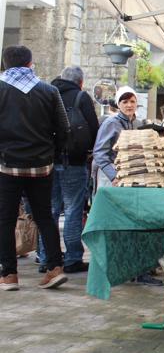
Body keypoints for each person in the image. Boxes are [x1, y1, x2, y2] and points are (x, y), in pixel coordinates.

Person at [0, 45, 69, 291]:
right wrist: (52, 153)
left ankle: (9, 275)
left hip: (7, 166)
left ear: (5, 64)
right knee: (44, 216)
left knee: (5, 219)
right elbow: (64, 127)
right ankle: (55, 268)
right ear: (30, 63)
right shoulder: (49, 90)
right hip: (42, 166)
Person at [92, 86, 163, 286]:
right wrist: (114, 175)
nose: (129, 105)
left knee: (132, 224)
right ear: (118, 104)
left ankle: (135, 269)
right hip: (112, 182)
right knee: (113, 225)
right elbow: (100, 152)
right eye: (125, 102)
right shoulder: (111, 123)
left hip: (131, 181)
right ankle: (112, 269)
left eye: (132, 101)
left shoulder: (137, 123)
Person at [35, 66, 99, 274]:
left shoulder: (44, 93)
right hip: (74, 161)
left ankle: (46, 257)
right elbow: (94, 129)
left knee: (49, 211)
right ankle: (72, 258)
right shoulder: (81, 97)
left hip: (47, 162)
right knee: (72, 211)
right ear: (80, 82)